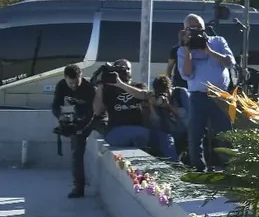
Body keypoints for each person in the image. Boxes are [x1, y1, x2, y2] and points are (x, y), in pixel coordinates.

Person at [178, 13, 237, 172]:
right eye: (191, 28)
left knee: (225, 134)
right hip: (198, 96)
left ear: (204, 28)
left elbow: (230, 62)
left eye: (198, 27)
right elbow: (187, 74)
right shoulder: (182, 50)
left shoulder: (218, 41)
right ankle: (198, 168)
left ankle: (230, 168)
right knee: (195, 134)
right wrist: (187, 49)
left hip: (220, 95)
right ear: (185, 30)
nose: (195, 31)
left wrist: (208, 50)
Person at [93, 59, 177, 159]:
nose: (126, 71)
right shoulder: (108, 89)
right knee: (141, 133)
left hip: (141, 131)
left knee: (166, 138)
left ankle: (175, 166)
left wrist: (121, 84)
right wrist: (101, 85)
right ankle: (144, 162)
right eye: (121, 69)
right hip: (115, 132)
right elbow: (97, 111)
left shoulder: (138, 86)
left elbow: (145, 96)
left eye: (128, 69)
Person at [52, 64, 95, 198]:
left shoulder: (89, 88)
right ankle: (78, 187)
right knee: (76, 152)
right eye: (71, 83)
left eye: (76, 82)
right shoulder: (61, 86)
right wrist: (61, 116)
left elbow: (92, 112)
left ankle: (78, 186)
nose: (74, 86)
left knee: (78, 144)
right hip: (77, 116)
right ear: (65, 78)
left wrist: (81, 127)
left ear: (81, 77)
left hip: (94, 117)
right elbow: (55, 105)